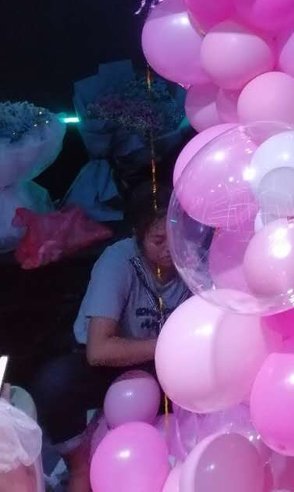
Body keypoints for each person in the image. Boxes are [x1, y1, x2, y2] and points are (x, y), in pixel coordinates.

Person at [30, 182, 189, 492]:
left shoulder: (191, 261)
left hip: (165, 367)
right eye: (158, 240)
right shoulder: (118, 261)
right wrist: (169, 344)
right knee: (54, 383)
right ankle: (79, 465)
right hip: (111, 365)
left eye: (175, 237)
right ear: (138, 235)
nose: (169, 250)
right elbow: (99, 350)